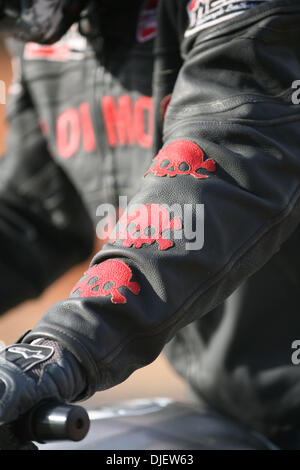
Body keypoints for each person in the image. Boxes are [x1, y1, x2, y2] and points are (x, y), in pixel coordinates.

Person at [0, 0, 300, 450]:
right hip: (231, 406)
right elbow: (35, 209)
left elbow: (229, 156)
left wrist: (56, 351)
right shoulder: (53, 24)